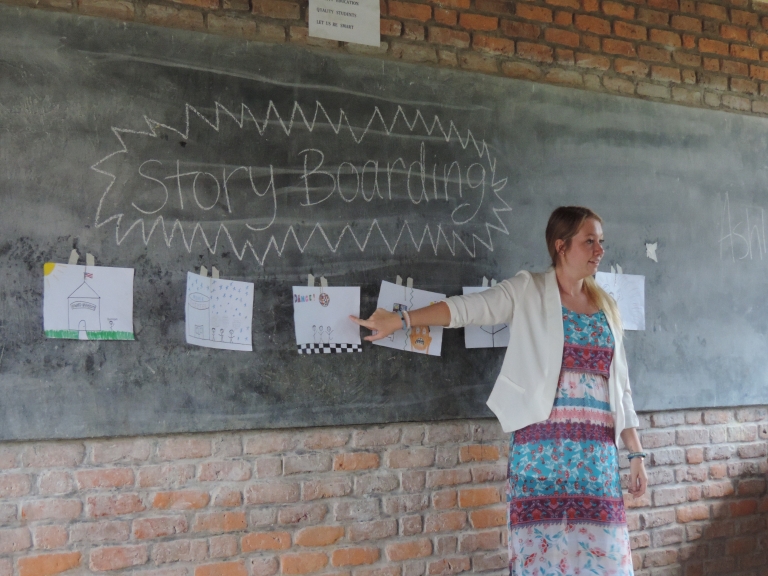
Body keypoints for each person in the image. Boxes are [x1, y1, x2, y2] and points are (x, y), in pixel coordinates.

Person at [351, 206, 647, 575]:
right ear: (561, 246)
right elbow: (468, 310)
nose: (599, 250)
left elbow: (622, 388)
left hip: (596, 457)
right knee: (542, 554)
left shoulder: (607, 306)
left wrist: (636, 454)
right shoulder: (530, 289)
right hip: (542, 451)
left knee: (604, 556)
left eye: (601, 242)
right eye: (589, 241)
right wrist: (402, 319)